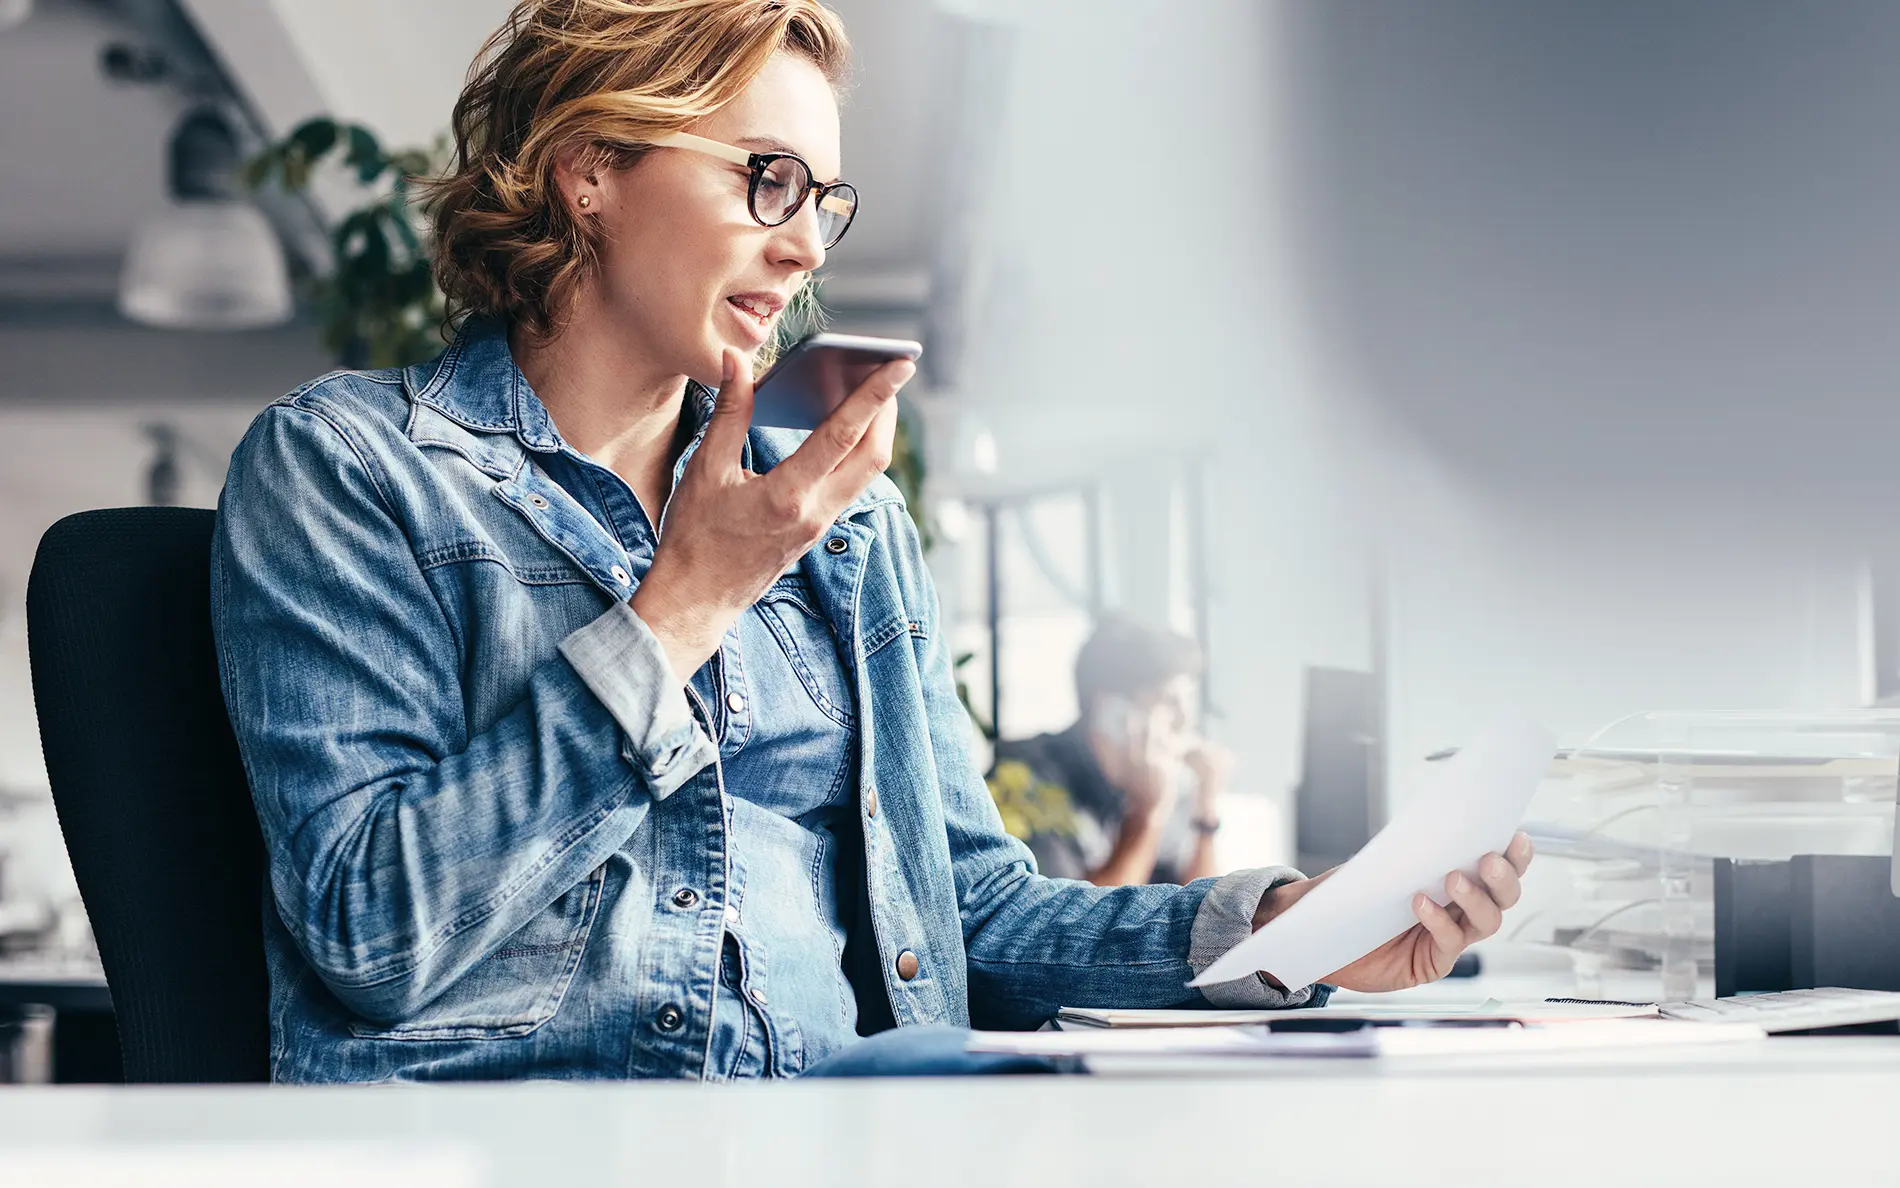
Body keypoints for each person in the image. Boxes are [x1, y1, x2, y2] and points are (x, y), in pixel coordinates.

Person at [210, 0, 1533, 1083]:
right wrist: (680, 611)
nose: (801, 250)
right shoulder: (350, 468)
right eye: (764, 179)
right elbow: (371, 932)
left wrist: (1293, 937)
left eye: (822, 201)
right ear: (591, 169)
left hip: (854, 1134)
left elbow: (982, 922)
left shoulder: (843, 521)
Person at [988, 618, 1228, 887]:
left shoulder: (1158, 781)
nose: (1184, 722)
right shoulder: (1025, 778)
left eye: (1187, 702)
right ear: (1111, 712)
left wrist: (1205, 810)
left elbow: (1206, 912)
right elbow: (1071, 923)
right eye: (1168, 702)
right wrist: (1146, 816)